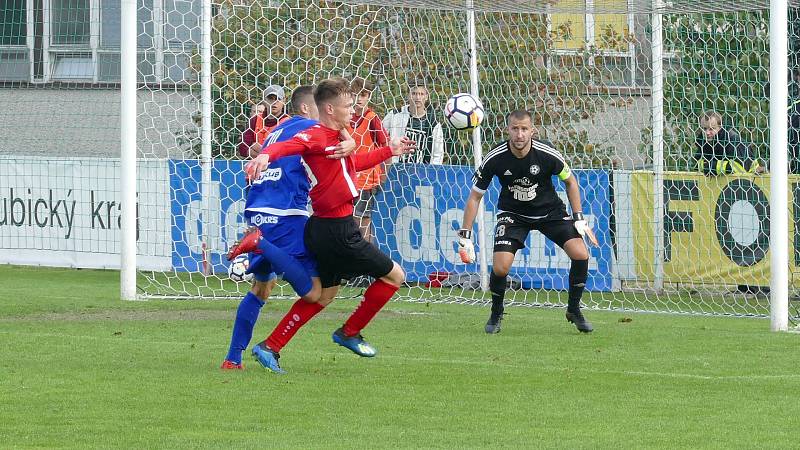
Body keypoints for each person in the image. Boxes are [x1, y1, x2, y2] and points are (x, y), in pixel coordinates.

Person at [229, 77, 415, 363]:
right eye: (348, 106)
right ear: (328, 109)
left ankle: (270, 347)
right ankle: (350, 332)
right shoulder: (315, 133)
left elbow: (352, 166)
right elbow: (290, 146)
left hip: (319, 225)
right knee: (395, 276)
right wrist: (265, 156)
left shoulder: (336, 139)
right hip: (336, 229)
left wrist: (390, 150)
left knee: (323, 294)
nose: (354, 110)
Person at [221, 85, 355, 372]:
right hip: (286, 215)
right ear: (307, 109)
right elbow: (344, 146)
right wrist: (352, 142)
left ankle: (233, 359)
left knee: (261, 289)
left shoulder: (275, 131)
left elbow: (263, 152)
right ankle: (258, 245)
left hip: (258, 209)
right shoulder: (311, 128)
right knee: (312, 293)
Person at [458, 109, 597, 334]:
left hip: (550, 212)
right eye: (515, 129)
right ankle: (496, 312)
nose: (520, 135)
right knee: (501, 267)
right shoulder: (495, 157)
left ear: (533, 130)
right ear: (507, 130)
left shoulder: (547, 154)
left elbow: (570, 182)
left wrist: (578, 216)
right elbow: (475, 196)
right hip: (513, 215)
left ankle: (574, 309)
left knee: (581, 254)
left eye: (524, 129)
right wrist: (465, 235)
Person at [350, 77, 390, 242]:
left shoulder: (372, 118)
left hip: (366, 180)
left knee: (363, 221)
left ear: (368, 96)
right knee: (350, 222)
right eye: (355, 94)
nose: (359, 98)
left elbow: (387, 147)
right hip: (347, 178)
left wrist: (383, 174)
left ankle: (367, 261)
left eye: (363, 94)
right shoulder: (346, 117)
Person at [383, 79, 444, 164]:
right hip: (396, 169)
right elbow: (381, 137)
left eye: (421, 94)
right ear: (408, 95)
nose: (417, 98)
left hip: (423, 173)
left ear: (426, 96)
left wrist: (432, 174)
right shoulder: (395, 114)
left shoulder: (433, 123)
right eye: (414, 93)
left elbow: (438, 154)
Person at [694, 110, 763, 175]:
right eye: (704, 129)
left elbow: (740, 168)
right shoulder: (703, 142)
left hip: (748, 181)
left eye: (712, 129)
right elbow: (697, 164)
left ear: (720, 127)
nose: (707, 133)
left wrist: (711, 166)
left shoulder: (733, 140)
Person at [238, 85, 291, 159]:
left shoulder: (289, 123)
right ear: (264, 100)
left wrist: (254, 145)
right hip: (257, 167)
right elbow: (242, 148)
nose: (274, 102)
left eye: (278, 99)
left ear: (284, 101)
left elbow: (286, 152)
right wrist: (267, 155)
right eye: (270, 99)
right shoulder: (255, 119)